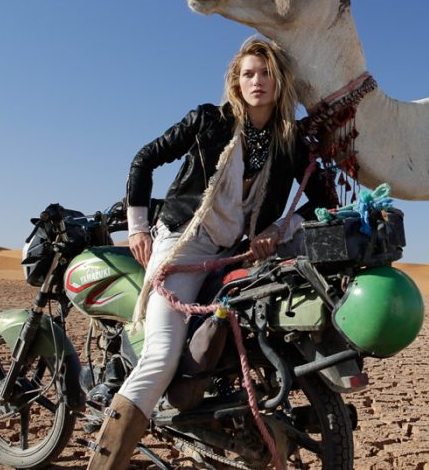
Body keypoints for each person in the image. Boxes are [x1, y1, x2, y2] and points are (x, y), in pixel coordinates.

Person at [87, 37, 335, 470]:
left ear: (280, 81)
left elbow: (323, 201)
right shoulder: (209, 120)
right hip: (184, 243)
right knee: (161, 356)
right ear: (236, 82)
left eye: (266, 73)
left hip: (238, 256)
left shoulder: (289, 141)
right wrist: (139, 228)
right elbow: (143, 160)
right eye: (248, 74)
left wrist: (278, 228)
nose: (257, 81)